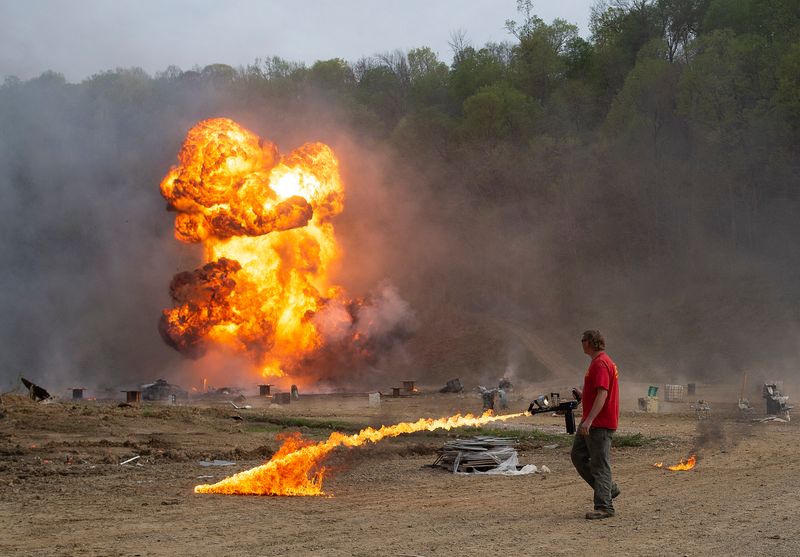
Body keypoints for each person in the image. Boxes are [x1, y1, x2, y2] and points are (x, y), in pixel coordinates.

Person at [571, 329, 620, 520]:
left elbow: (603, 393)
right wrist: (583, 396)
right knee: (577, 456)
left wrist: (589, 420)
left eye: (582, 340)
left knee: (600, 464)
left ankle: (604, 506)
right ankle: (608, 489)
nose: (581, 343)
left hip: (599, 423)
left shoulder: (600, 363)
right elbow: (597, 393)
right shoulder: (599, 362)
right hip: (593, 421)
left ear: (590, 342)